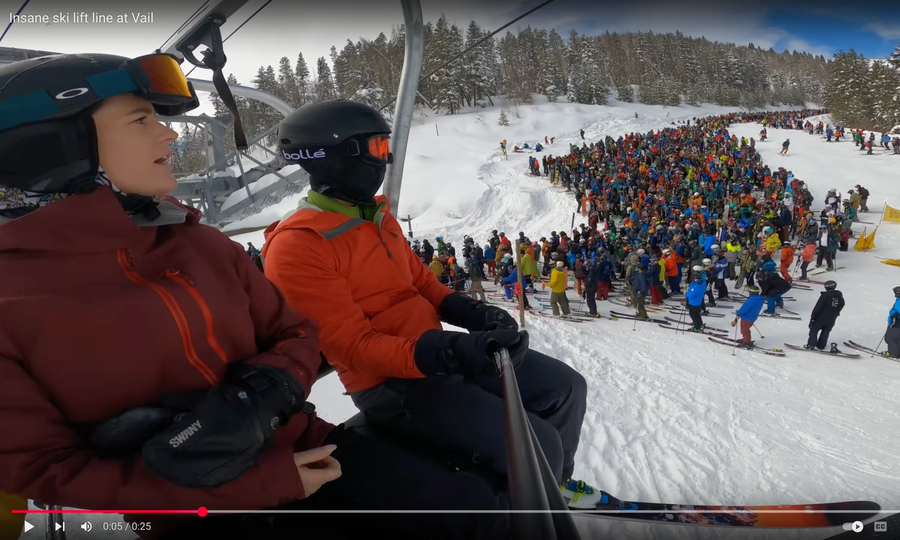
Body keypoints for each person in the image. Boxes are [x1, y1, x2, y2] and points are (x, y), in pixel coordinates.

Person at [0, 53, 506, 540]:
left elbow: (297, 332)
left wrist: (260, 392)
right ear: (56, 146)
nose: (169, 133)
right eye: (140, 121)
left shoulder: (198, 242)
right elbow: (42, 468)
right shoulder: (14, 297)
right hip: (183, 510)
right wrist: (257, 478)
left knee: (474, 514)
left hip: (304, 446)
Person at [260, 100, 599, 508]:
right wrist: (453, 352)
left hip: (434, 357)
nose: (384, 160)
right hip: (392, 387)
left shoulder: (375, 216)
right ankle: (518, 511)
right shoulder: (299, 245)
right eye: (377, 149)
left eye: (388, 148)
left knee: (565, 388)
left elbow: (420, 282)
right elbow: (352, 348)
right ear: (336, 156)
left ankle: (547, 493)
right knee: (537, 442)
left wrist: (471, 314)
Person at [807, 281, 845, 352]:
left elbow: (818, 307)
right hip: (832, 318)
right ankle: (821, 346)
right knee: (826, 331)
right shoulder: (839, 295)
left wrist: (813, 318)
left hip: (821, 317)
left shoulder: (825, 295)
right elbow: (842, 304)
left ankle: (811, 345)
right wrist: (836, 312)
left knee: (814, 330)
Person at [685, 265, 707, 332]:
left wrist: (687, 293)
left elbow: (691, 294)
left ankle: (697, 327)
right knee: (697, 313)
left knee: (693, 314)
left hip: (693, 302)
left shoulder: (697, 285)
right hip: (698, 301)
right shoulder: (702, 282)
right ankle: (700, 324)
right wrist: (690, 286)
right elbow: (693, 284)